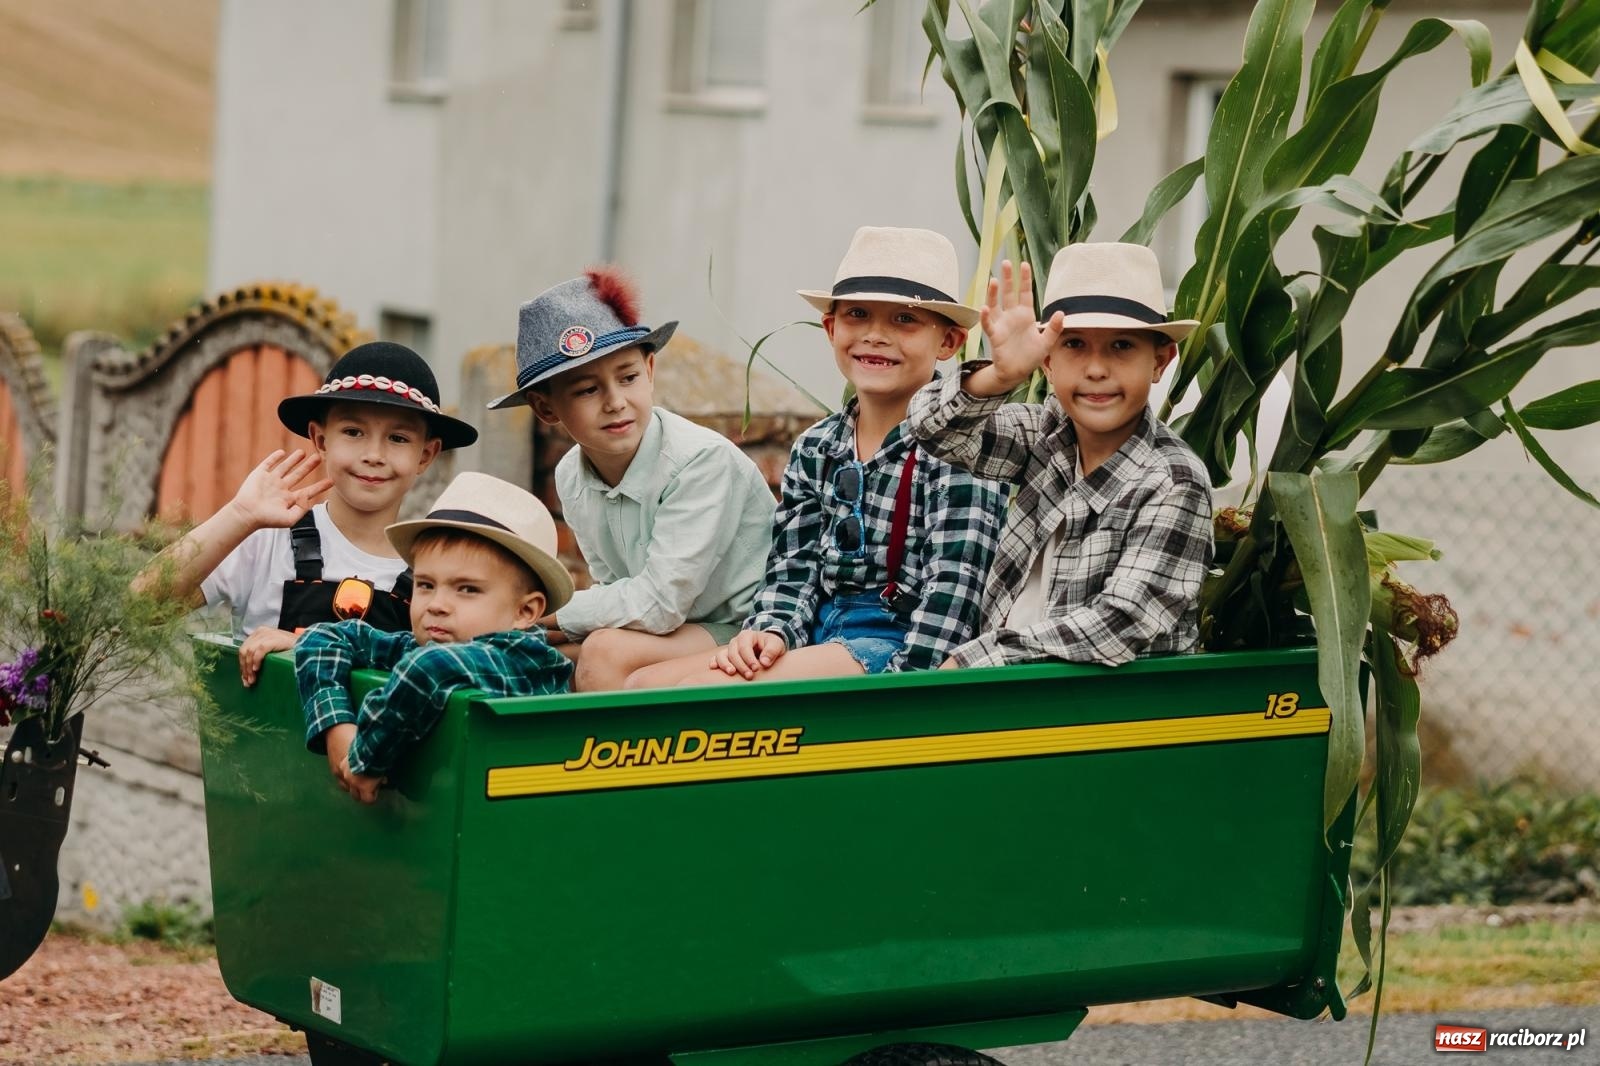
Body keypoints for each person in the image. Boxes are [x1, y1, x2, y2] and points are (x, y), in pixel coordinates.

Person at [632, 226, 1005, 688]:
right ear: (831, 329)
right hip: (818, 631)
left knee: (696, 693)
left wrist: (910, 686)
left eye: (905, 320)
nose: (875, 335)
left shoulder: (961, 448)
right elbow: (793, 569)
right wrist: (771, 630)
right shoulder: (817, 446)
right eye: (858, 315)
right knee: (639, 686)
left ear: (948, 342)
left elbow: (955, 589)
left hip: (894, 643)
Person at [907, 243, 1214, 668]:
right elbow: (935, 430)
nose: (1096, 369)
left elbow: (1117, 622)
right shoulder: (1045, 435)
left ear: (1160, 362)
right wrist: (1001, 375)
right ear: (1047, 362)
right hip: (1008, 689)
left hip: (1106, 712)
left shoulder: (1173, 480)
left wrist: (976, 659)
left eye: (1122, 346)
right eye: (1074, 344)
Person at [488, 267, 775, 691]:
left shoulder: (699, 461)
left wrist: (543, 610)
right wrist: (538, 624)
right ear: (546, 409)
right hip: (675, 628)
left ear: (651, 369)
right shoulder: (571, 473)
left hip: (746, 629)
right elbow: (614, 587)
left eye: (628, 377)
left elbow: (661, 603)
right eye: (587, 390)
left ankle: (599, 755)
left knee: (602, 651)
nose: (616, 402)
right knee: (535, 653)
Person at [134, 342, 478, 686]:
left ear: (426, 455)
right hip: (265, 738)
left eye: (398, 438)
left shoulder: (433, 572)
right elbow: (140, 606)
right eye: (353, 432)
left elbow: (454, 672)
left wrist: (305, 645)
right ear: (321, 439)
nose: (374, 454)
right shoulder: (268, 538)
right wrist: (239, 515)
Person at [296, 471, 575, 803]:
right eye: (426, 585)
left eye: (467, 589)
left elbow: (430, 669)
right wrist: (337, 727)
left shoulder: (525, 659)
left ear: (525, 612)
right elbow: (322, 638)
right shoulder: (427, 646)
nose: (437, 605)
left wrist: (365, 761)